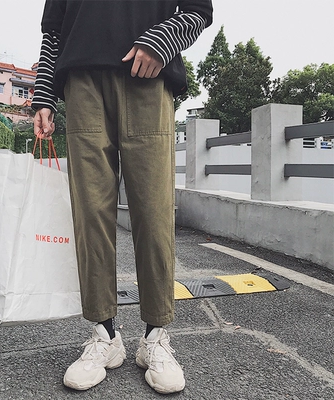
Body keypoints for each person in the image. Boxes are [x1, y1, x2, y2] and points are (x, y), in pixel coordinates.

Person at [32, 0, 213, 394]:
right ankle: (105, 335)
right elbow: (53, 31)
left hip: (148, 75)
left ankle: (155, 337)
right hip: (81, 82)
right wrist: (44, 95)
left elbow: (198, 9)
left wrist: (160, 41)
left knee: (154, 211)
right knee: (90, 213)